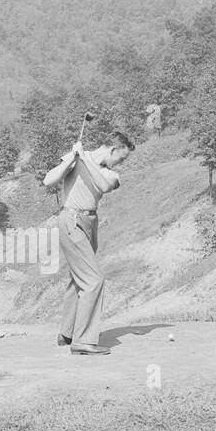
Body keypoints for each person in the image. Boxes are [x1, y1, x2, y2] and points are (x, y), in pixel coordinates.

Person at [43, 131, 135, 355]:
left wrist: (84, 158)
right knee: (93, 279)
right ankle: (82, 340)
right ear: (113, 149)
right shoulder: (75, 158)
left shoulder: (110, 174)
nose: (121, 162)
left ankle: (67, 333)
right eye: (121, 157)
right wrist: (73, 159)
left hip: (90, 224)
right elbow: (49, 180)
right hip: (71, 219)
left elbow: (103, 186)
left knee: (80, 278)